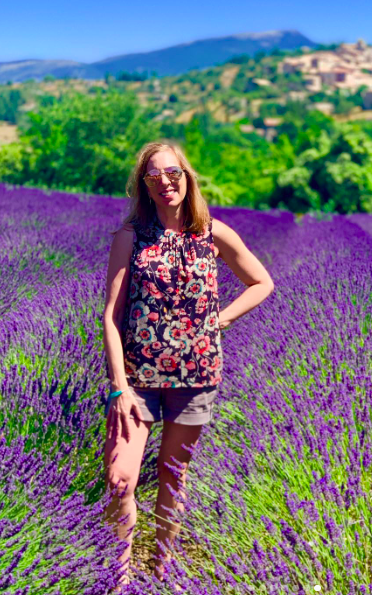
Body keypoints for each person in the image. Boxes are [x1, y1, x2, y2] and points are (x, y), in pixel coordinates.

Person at [101, 140, 274, 591]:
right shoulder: (130, 236)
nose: (165, 183)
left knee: (172, 477)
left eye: (172, 173)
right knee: (121, 480)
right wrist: (118, 387)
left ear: (187, 176)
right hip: (136, 380)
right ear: (144, 185)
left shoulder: (213, 233)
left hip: (196, 377)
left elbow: (261, 282)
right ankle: (119, 578)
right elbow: (111, 316)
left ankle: (160, 569)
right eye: (154, 177)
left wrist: (221, 320)